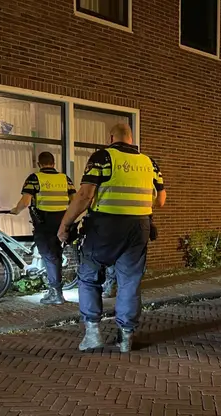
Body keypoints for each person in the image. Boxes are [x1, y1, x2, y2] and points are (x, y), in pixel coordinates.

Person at [58, 123, 166, 353]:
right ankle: (125, 338)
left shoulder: (103, 157)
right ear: (131, 138)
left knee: (89, 277)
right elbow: (161, 199)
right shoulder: (149, 162)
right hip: (139, 227)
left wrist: (65, 224)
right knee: (129, 281)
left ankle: (93, 335)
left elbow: (86, 195)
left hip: (105, 226)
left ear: (111, 137)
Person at [11, 151, 76, 305]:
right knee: (56, 256)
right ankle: (56, 290)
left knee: (50, 256)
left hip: (44, 222)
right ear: (54, 163)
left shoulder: (35, 178)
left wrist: (15, 210)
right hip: (62, 221)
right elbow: (74, 199)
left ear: (39, 164)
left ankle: (56, 294)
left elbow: (25, 202)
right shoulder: (65, 179)